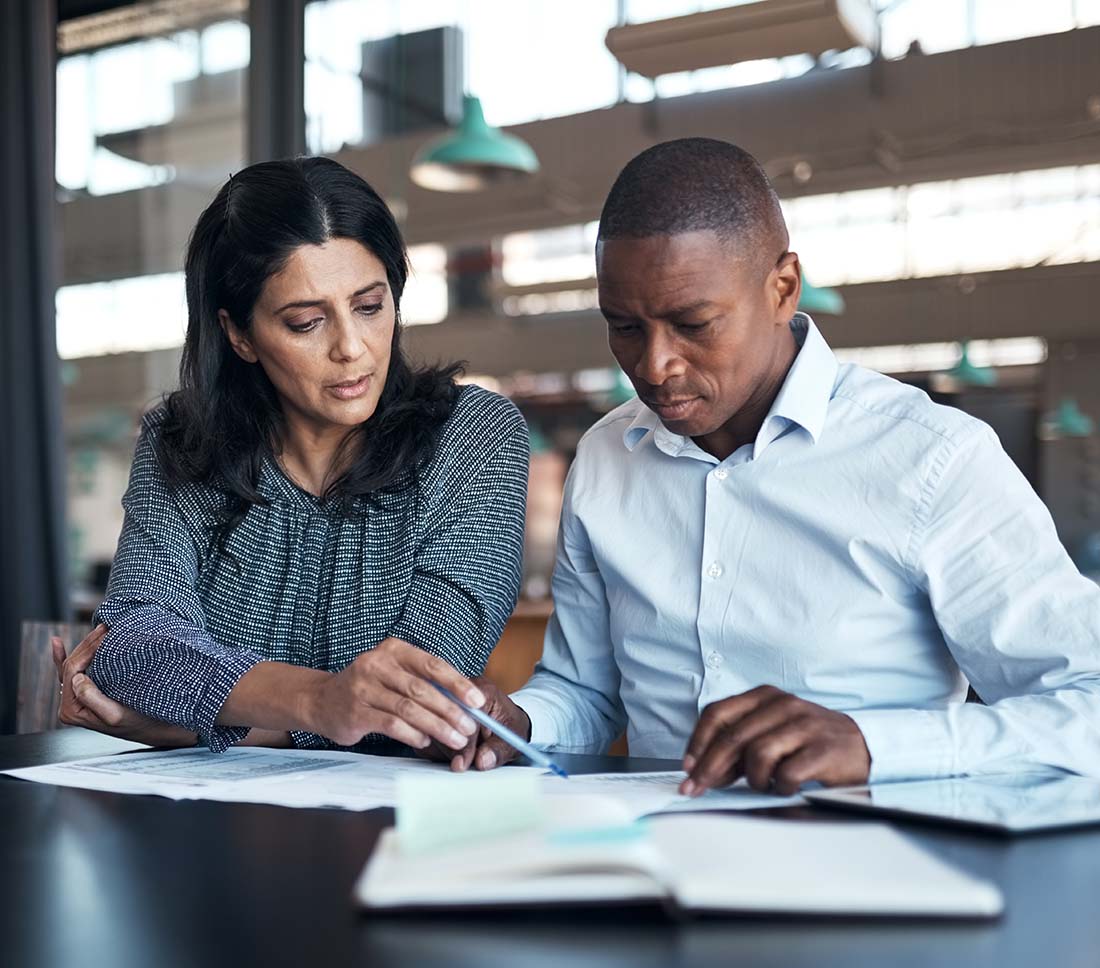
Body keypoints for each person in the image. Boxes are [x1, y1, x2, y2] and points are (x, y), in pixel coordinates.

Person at [462, 137, 1100, 795]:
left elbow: (1088, 704)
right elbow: (586, 692)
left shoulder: (931, 459)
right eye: (624, 326)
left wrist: (872, 746)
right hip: (653, 859)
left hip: (869, 868)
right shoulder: (605, 458)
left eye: (694, 323)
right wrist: (519, 722)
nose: (654, 366)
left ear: (783, 288)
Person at [54, 156, 528, 764]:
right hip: (208, 827)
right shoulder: (180, 440)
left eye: (370, 306)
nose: (352, 349)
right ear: (239, 335)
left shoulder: (472, 436)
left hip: (387, 831)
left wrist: (193, 721)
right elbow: (132, 646)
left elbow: (418, 695)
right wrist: (322, 700)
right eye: (306, 322)